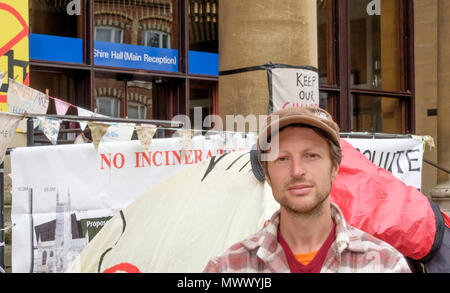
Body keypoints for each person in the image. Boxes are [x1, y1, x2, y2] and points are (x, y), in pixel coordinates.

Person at [203, 107, 412, 273]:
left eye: (311, 155)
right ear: (267, 175)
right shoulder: (227, 267)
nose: (297, 171)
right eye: (282, 159)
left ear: (334, 168)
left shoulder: (385, 266)